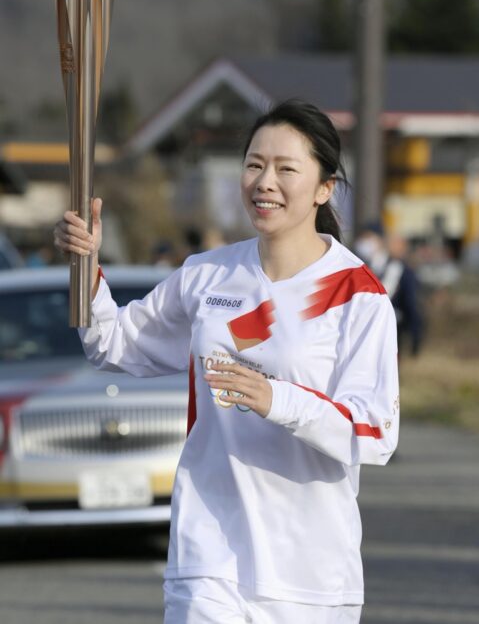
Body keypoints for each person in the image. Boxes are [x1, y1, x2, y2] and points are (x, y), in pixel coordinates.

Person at [54, 100, 399, 624]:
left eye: (286, 169)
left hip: (309, 576)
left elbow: (374, 433)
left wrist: (276, 399)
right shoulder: (207, 276)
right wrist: (87, 267)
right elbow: (113, 344)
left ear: (324, 188)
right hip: (209, 556)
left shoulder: (356, 296)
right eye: (254, 164)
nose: (265, 181)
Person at [354, 223, 423, 356]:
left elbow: (410, 303)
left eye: (369, 237)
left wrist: (415, 335)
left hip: (391, 333)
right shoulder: (357, 266)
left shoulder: (398, 268)